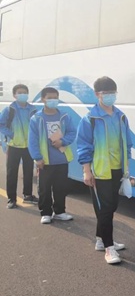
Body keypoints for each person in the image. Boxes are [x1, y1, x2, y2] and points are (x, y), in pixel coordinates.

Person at [76, 77, 132, 265]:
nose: (110, 96)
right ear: (97, 94)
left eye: (112, 93)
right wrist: (86, 171)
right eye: (106, 93)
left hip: (117, 169)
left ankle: (101, 239)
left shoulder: (121, 117)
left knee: (111, 206)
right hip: (100, 171)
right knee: (105, 209)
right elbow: (83, 146)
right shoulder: (90, 119)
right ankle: (109, 248)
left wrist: (126, 168)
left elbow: (127, 144)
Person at [28, 87, 76, 224]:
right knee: (44, 188)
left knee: (60, 188)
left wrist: (63, 141)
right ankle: (46, 213)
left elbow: (72, 132)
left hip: (62, 159)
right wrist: (37, 157)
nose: (53, 100)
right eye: (49, 98)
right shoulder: (36, 118)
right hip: (45, 161)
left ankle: (60, 212)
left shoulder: (64, 116)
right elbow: (32, 140)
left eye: (55, 98)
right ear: (43, 99)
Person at [0, 84, 39, 209]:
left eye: (25, 92)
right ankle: (11, 199)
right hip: (14, 146)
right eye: (20, 92)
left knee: (28, 172)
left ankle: (28, 195)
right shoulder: (10, 110)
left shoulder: (33, 109)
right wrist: (11, 134)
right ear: (14, 95)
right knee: (12, 173)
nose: (23, 94)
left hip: (29, 147)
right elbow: (1, 124)